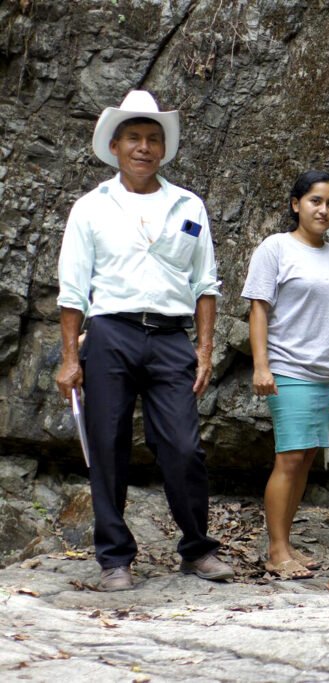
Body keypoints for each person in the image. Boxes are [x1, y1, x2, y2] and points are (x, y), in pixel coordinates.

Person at [55, 90, 233, 592]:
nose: (144, 147)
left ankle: (196, 549)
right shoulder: (92, 207)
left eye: (153, 139)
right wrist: (70, 357)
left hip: (172, 337)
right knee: (106, 446)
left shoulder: (187, 204)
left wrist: (204, 348)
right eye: (133, 137)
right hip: (110, 333)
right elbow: (73, 289)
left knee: (182, 447)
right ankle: (115, 558)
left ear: (163, 149)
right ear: (115, 146)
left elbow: (206, 285)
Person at [242, 170, 329, 580]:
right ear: (296, 204)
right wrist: (261, 365)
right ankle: (275, 551)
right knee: (289, 459)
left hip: (328, 374)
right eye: (314, 201)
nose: (323, 209)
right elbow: (259, 308)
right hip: (289, 368)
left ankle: (286, 543)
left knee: (307, 459)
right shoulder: (275, 248)